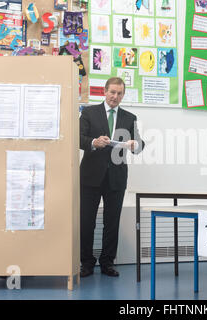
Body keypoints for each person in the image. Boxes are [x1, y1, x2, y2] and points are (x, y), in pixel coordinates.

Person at [80, 77, 145, 277]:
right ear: (104, 92)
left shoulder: (129, 117)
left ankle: (107, 262)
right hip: (90, 176)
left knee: (112, 221)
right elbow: (77, 138)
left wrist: (137, 145)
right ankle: (87, 263)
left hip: (116, 177)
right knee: (86, 221)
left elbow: (139, 144)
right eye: (112, 92)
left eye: (119, 93)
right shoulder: (89, 112)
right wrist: (93, 142)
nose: (115, 97)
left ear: (123, 95)